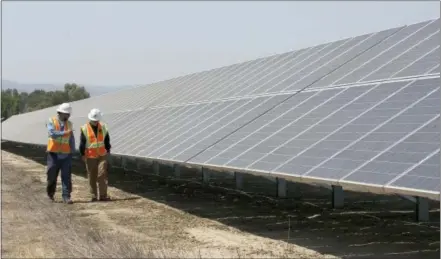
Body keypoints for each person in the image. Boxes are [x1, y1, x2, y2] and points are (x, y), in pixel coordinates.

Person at [79, 108, 111, 202]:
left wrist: (108, 150)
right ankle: (93, 195)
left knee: (102, 174)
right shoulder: (85, 128)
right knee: (92, 176)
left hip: (102, 154)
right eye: (93, 120)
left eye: (96, 120)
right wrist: (82, 154)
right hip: (90, 156)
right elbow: (82, 143)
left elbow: (107, 140)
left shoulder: (104, 127)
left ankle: (103, 195)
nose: (95, 122)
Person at [46, 103, 75, 204]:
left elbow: (71, 138)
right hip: (53, 154)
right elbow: (52, 134)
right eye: (67, 114)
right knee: (52, 176)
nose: (68, 116)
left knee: (66, 176)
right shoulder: (52, 121)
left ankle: (66, 197)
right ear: (61, 113)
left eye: (69, 114)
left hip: (66, 154)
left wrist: (72, 151)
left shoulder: (69, 124)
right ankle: (50, 194)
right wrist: (64, 133)